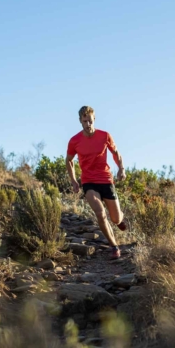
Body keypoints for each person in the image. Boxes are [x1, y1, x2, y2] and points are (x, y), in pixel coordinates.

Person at [66, 105, 128, 259]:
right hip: (89, 182)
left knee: (115, 218)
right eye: (85, 121)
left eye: (90, 121)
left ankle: (120, 219)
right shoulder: (75, 141)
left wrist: (121, 169)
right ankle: (114, 246)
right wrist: (73, 180)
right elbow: (69, 160)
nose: (88, 124)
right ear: (80, 121)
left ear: (94, 119)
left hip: (106, 180)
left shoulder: (104, 136)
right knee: (100, 213)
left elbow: (116, 153)